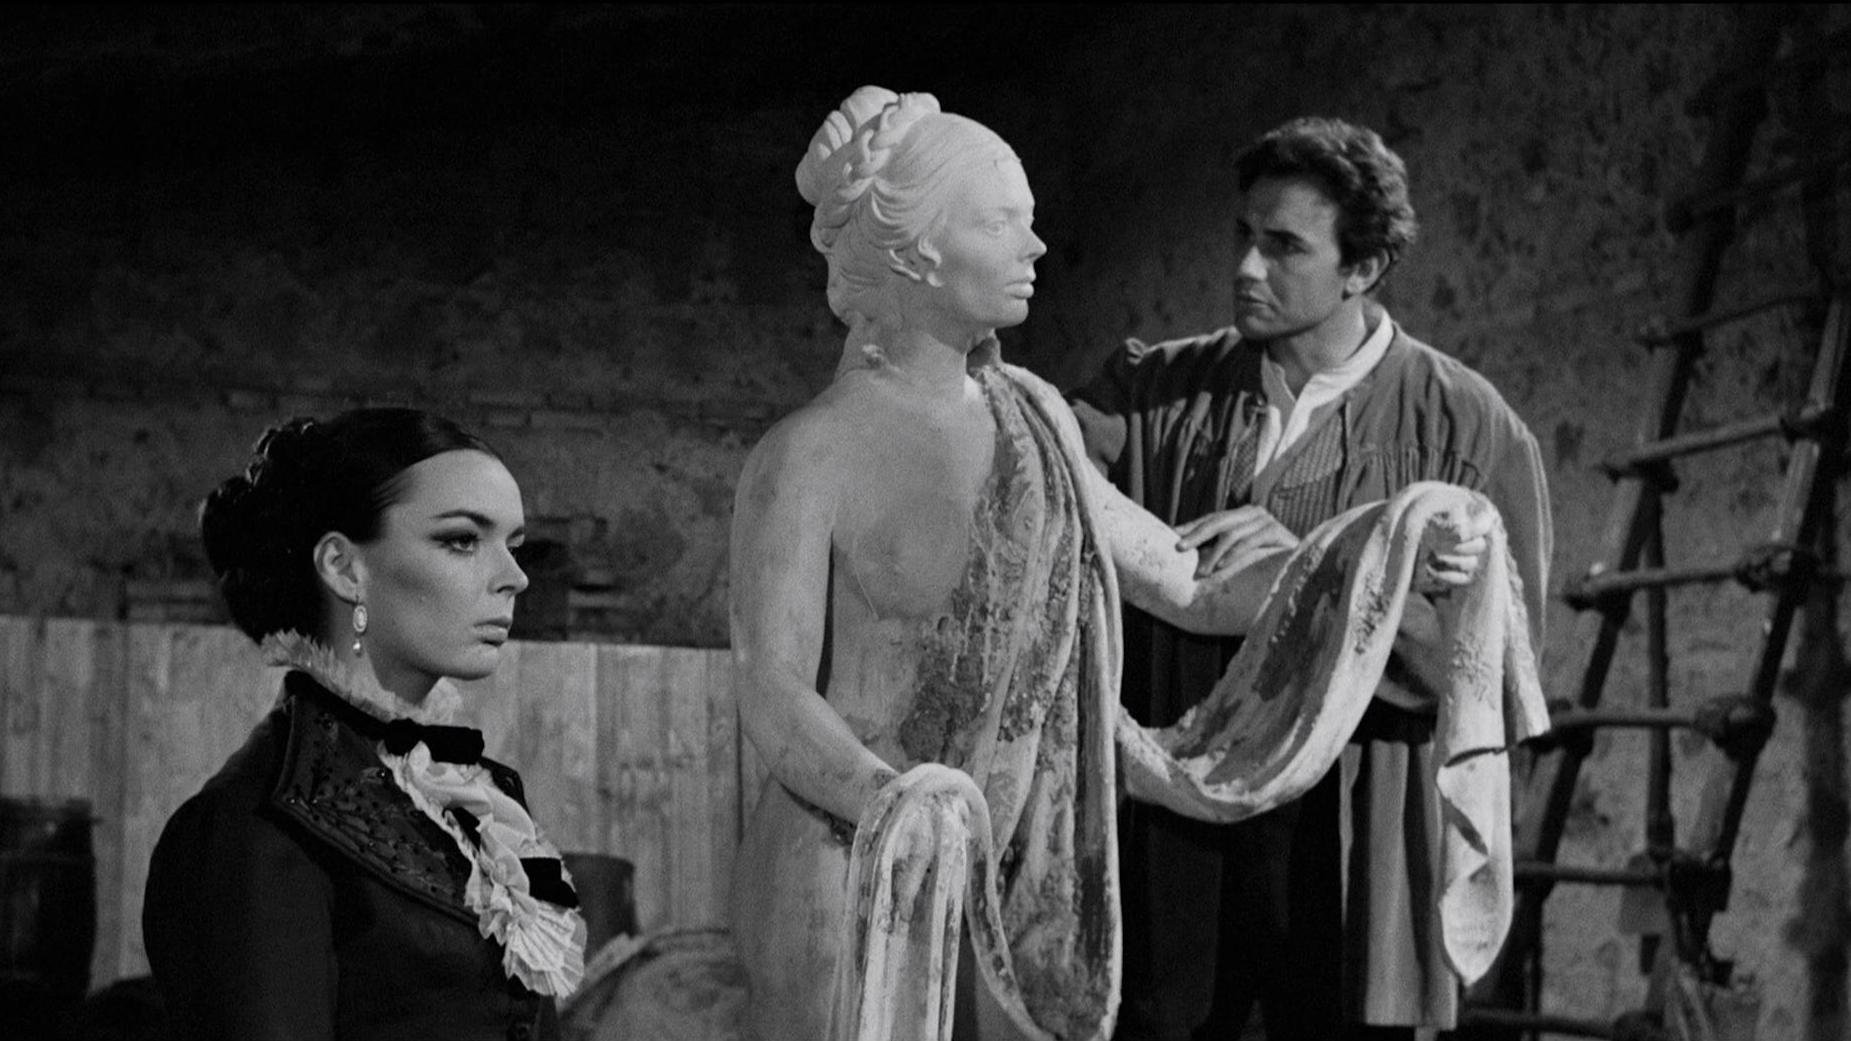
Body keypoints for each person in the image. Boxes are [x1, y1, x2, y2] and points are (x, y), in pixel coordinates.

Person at [728, 89, 1494, 1041]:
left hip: (1004, 878)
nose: (1035, 247)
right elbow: (770, 687)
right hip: (851, 867)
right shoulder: (807, 454)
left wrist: (1389, 543)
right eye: (1000, 223)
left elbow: (1190, 580)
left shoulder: (1035, 422)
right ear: (916, 248)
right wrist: (895, 804)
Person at [1069, 117, 1554, 1040]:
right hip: (1176, 828)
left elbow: (1497, 670)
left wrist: (1314, 558)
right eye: (1243, 235)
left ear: (1362, 267)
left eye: (1284, 246)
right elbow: (1040, 468)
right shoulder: (1156, 390)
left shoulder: (1467, 429)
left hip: (1347, 821)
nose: (1246, 268)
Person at [142, 408, 587, 1041]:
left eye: (512, 546)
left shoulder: (472, 805)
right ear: (345, 568)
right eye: (462, 540)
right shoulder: (256, 831)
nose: (515, 577)